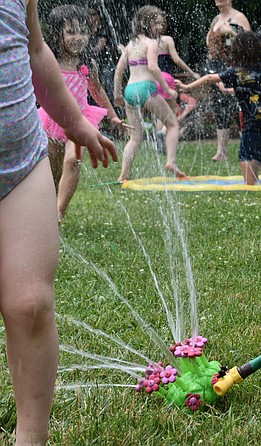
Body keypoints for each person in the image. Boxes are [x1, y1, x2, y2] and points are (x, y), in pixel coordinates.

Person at [0, 1, 117, 443]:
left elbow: (34, 51)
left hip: (20, 160)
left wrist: (77, 124)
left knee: (31, 303)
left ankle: (32, 437)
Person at [37, 5, 124, 224]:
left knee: (73, 160)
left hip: (82, 118)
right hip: (51, 119)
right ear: (58, 33)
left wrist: (113, 116)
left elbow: (97, 90)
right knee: (52, 168)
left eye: (83, 31)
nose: (79, 38)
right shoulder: (51, 61)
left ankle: (59, 211)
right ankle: (47, 204)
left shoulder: (86, 64)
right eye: (71, 32)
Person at [178, 31, 261, 186]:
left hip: (253, 119)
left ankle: (250, 188)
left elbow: (210, 78)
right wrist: (231, 91)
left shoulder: (236, 72)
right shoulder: (260, 71)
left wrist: (187, 86)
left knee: (246, 154)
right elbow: (251, 89)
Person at [114, 5, 186, 182]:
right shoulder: (151, 43)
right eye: (156, 24)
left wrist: (117, 94)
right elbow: (153, 67)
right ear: (147, 24)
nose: (159, 28)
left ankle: (124, 175)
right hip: (146, 87)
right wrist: (167, 88)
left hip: (129, 90)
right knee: (172, 124)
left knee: (135, 137)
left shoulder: (131, 44)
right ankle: (171, 161)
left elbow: (118, 71)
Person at [206, 0, 251, 162]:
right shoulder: (216, 19)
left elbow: (249, 42)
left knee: (239, 104)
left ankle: (248, 146)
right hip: (216, 66)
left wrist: (231, 33)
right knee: (219, 106)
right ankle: (221, 150)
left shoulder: (239, 17)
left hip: (234, 66)